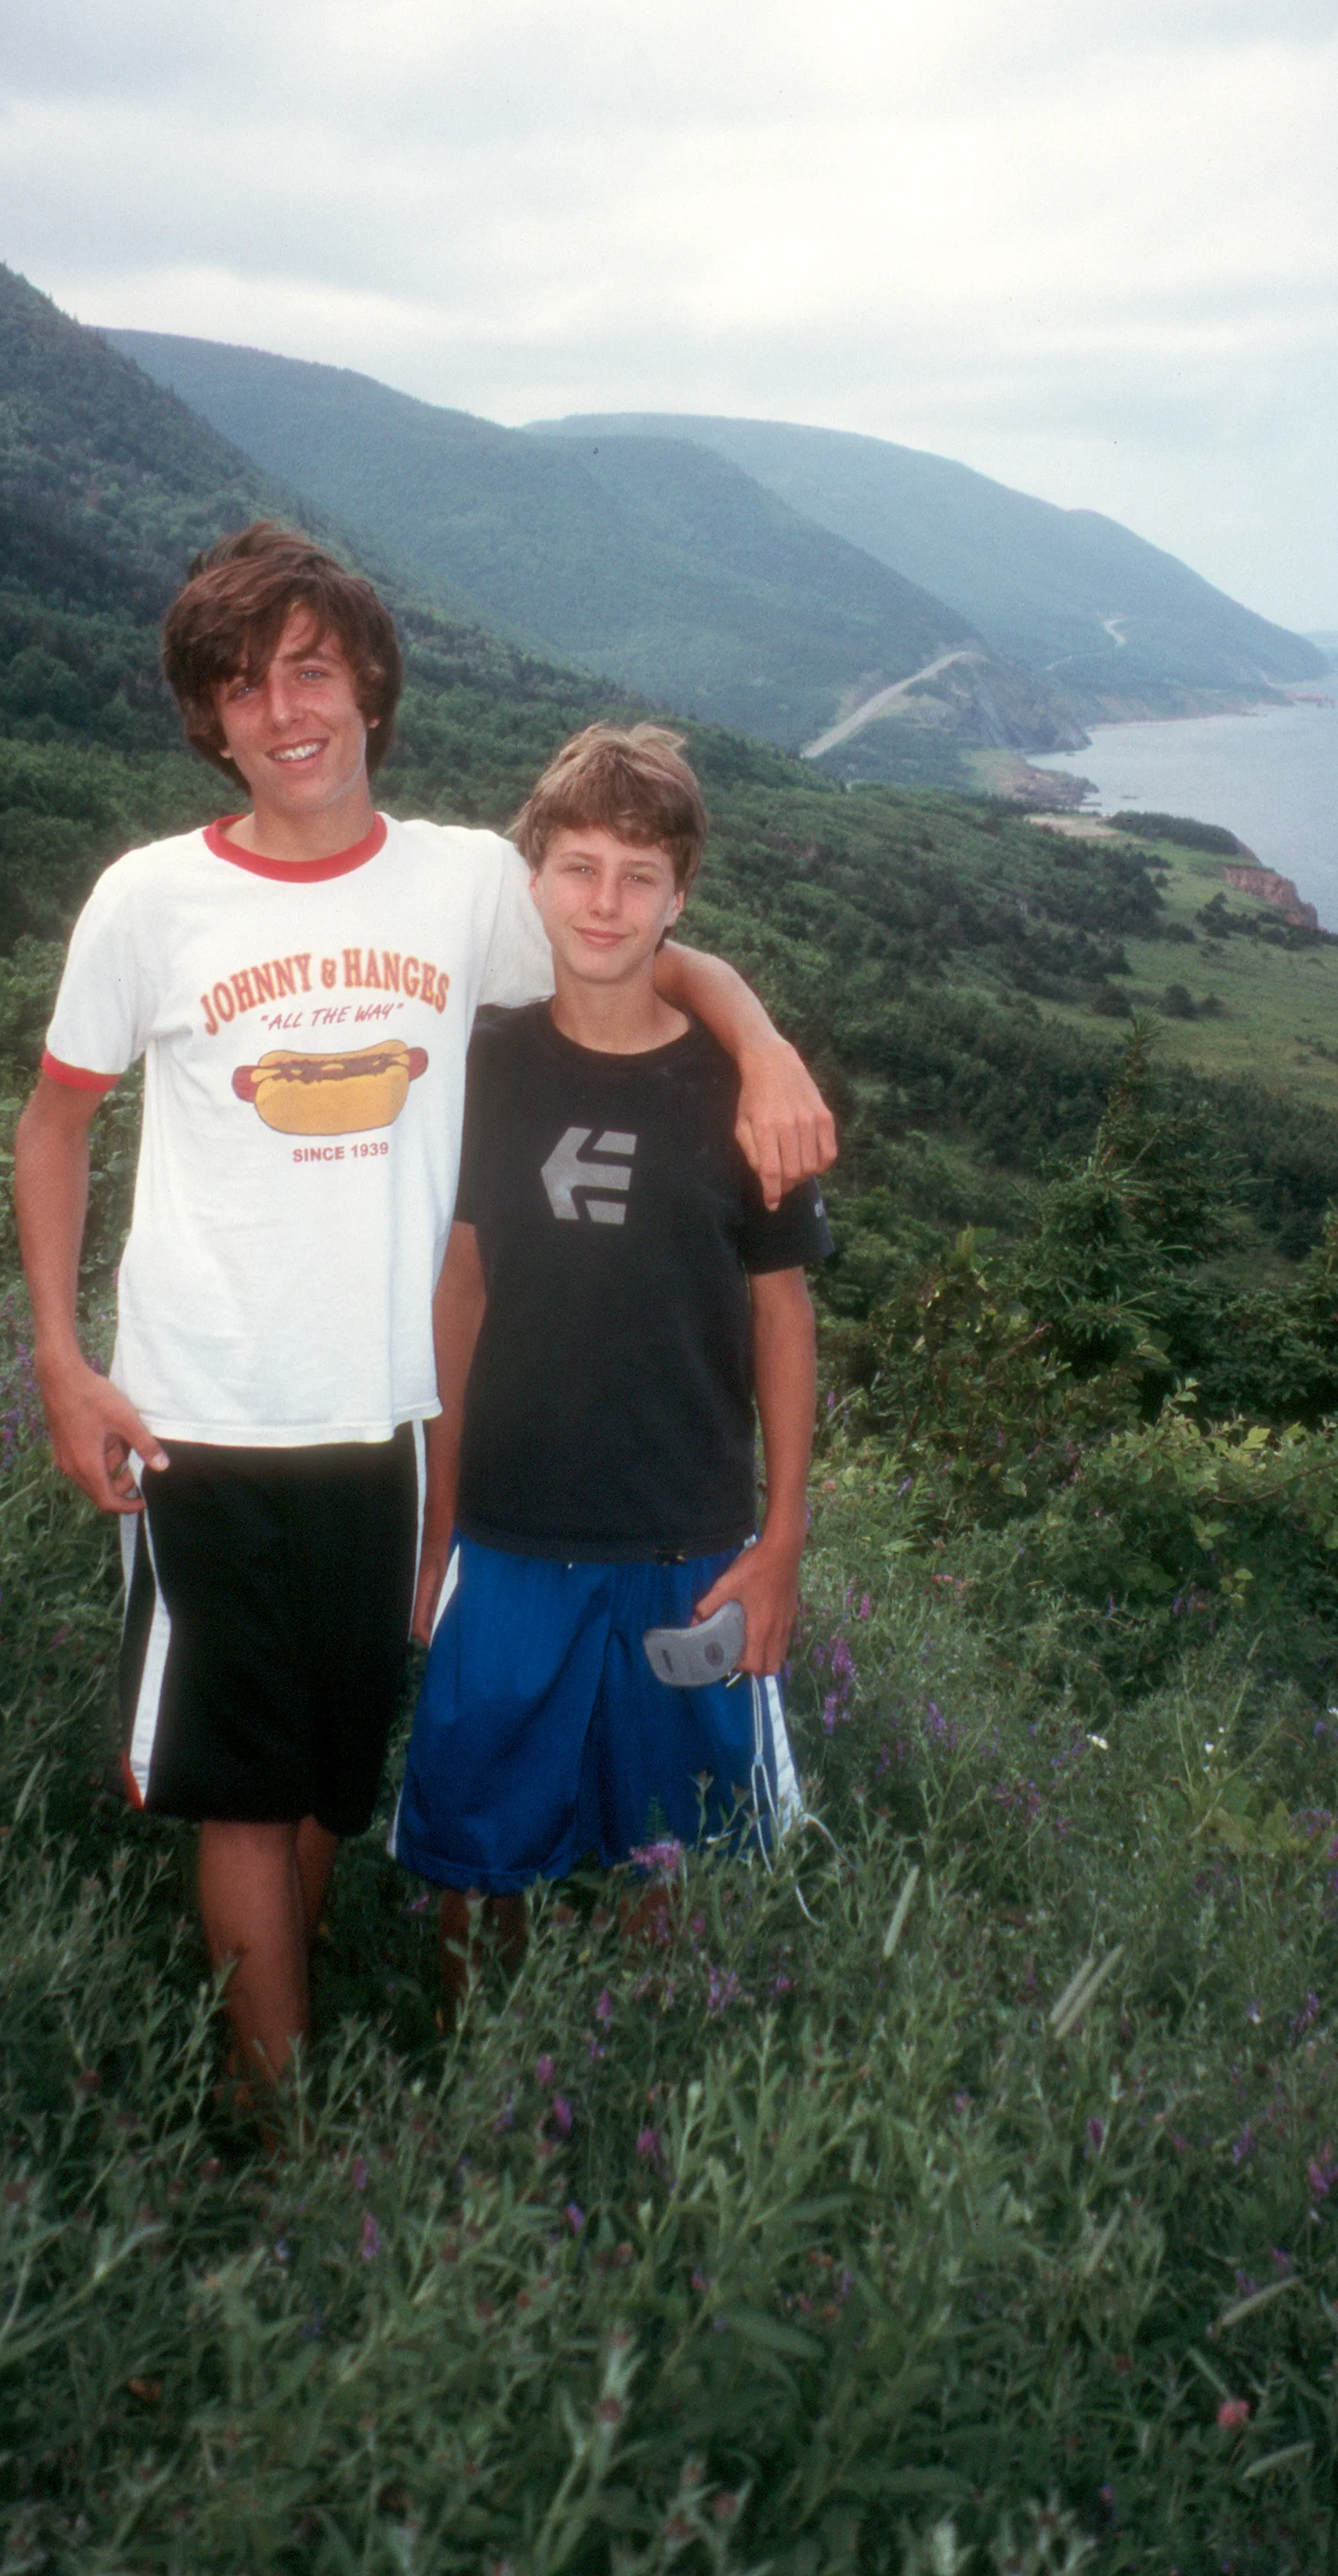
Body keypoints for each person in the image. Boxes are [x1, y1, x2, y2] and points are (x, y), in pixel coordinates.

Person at [13, 527, 834, 2096]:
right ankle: (287, 2143)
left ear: (370, 688)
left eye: (310, 669)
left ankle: (283, 2075)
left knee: (327, 1776)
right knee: (247, 1792)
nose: (281, 709)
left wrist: (762, 1040)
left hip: (394, 1427)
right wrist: (62, 1359)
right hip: (204, 1415)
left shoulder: (461, 882)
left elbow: (643, 935)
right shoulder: (150, 898)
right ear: (211, 714)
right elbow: (56, 1121)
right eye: (240, 683)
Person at [392, 722, 833, 2013]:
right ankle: (479, 2076)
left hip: (687, 1538)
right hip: (512, 1532)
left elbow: (784, 1314)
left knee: (680, 1855)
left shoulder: (743, 1092)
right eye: (578, 867)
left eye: (639, 876)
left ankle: (649, 2090)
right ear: (534, 880)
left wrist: (784, 1536)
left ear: (681, 893)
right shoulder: (481, 1065)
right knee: (477, 1853)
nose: (605, 902)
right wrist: (437, 1524)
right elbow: (458, 1290)